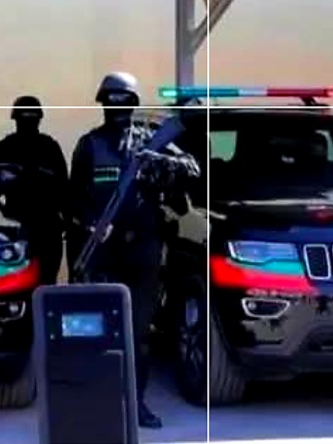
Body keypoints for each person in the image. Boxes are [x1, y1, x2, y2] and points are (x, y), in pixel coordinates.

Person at [66, 72, 199, 429]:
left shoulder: (151, 140)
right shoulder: (90, 145)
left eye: (121, 101)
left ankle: (136, 403)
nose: (116, 108)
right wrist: (91, 222)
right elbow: (73, 196)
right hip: (103, 250)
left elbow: (192, 169)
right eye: (111, 101)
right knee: (100, 332)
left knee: (139, 334)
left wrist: (163, 164)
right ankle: (101, 402)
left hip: (143, 250)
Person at [0, 95, 69, 285]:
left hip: (46, 229)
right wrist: (3, 216)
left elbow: (64, 191)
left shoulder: (48, 148)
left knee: (44, 284)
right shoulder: (7, 148)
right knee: (17, 284)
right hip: (21, 228)